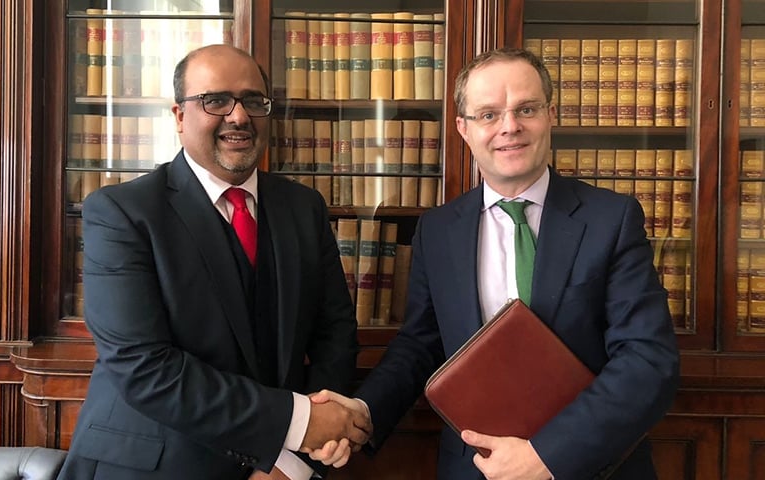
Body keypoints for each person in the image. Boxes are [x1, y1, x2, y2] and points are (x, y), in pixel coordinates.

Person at [309, 47, 681, 480]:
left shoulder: (611, 220)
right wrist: (364, 411)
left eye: (526, 108)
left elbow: (647, 359)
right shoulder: (439, 230)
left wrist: (547, 456)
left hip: (592, 467)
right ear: (464, 129)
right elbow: (421, 345)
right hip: (476, 467)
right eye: (489, 115)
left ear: (550, 114)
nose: (510, 127)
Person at [57, 44, 371, 480]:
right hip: (154, 465)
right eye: (216, 100)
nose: (239, 117)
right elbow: (144, 366)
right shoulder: (121, 213)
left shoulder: (304, 207)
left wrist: (305, 450)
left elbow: (333, 330)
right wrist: (297, 426)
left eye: (253, 101)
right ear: (180, 116)